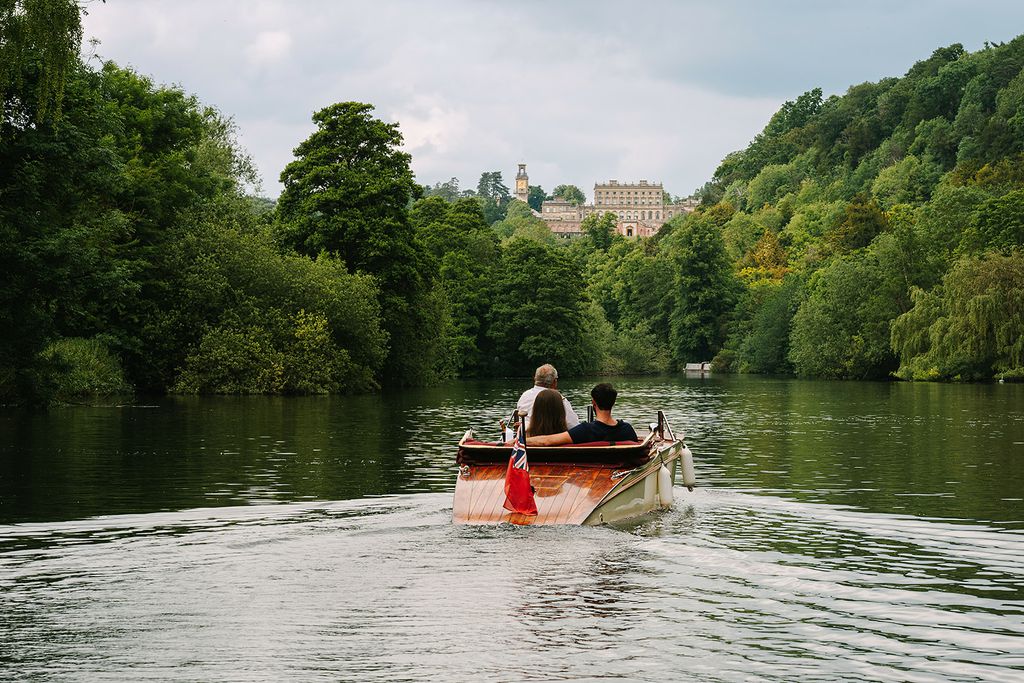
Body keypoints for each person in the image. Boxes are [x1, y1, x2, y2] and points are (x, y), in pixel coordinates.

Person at [527, 383, 638, 446]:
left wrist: (521, 441)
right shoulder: (627, 429)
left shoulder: (585, 431)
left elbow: (547, 441)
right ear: (613, 403)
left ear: (593, 402)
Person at [516, 364, 580, 431]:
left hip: (524, 436)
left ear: (535, 379)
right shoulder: (558, 399)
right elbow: (573, 426)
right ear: (555, 382)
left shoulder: (525, 395)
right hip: (550, 439)